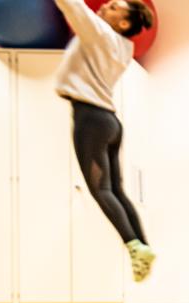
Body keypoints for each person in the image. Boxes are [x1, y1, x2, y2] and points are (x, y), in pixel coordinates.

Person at [53, 0, 156, 282]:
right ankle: (141, 245)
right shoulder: (126, 47)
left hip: (90, 117)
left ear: (123, 23)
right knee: (116, 191)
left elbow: (72, 6)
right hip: (109, 121)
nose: (104, 7)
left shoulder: (100, 33)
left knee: (101, 190)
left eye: (113, 7)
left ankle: (133, 245)